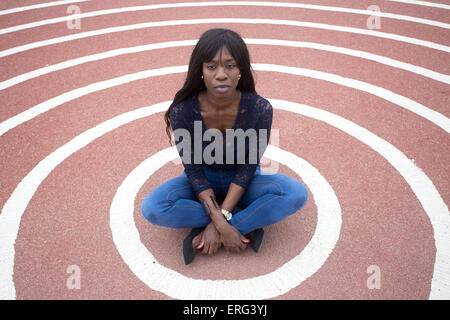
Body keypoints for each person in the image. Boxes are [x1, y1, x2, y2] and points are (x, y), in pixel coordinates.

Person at [141, 28, 308, 265]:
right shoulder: (183, 111)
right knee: (153, 208)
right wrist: (221, 222)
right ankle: (243, 224)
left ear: (241, 70)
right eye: (211, 66)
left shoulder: (260, 109)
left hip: (244, 181)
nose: (221, 74)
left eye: (230, 65)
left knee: (295, 194)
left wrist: (218, 224)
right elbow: (194, 171)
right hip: (202, 181)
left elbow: (248, 168)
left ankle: (218, 228)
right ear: (200, 70)